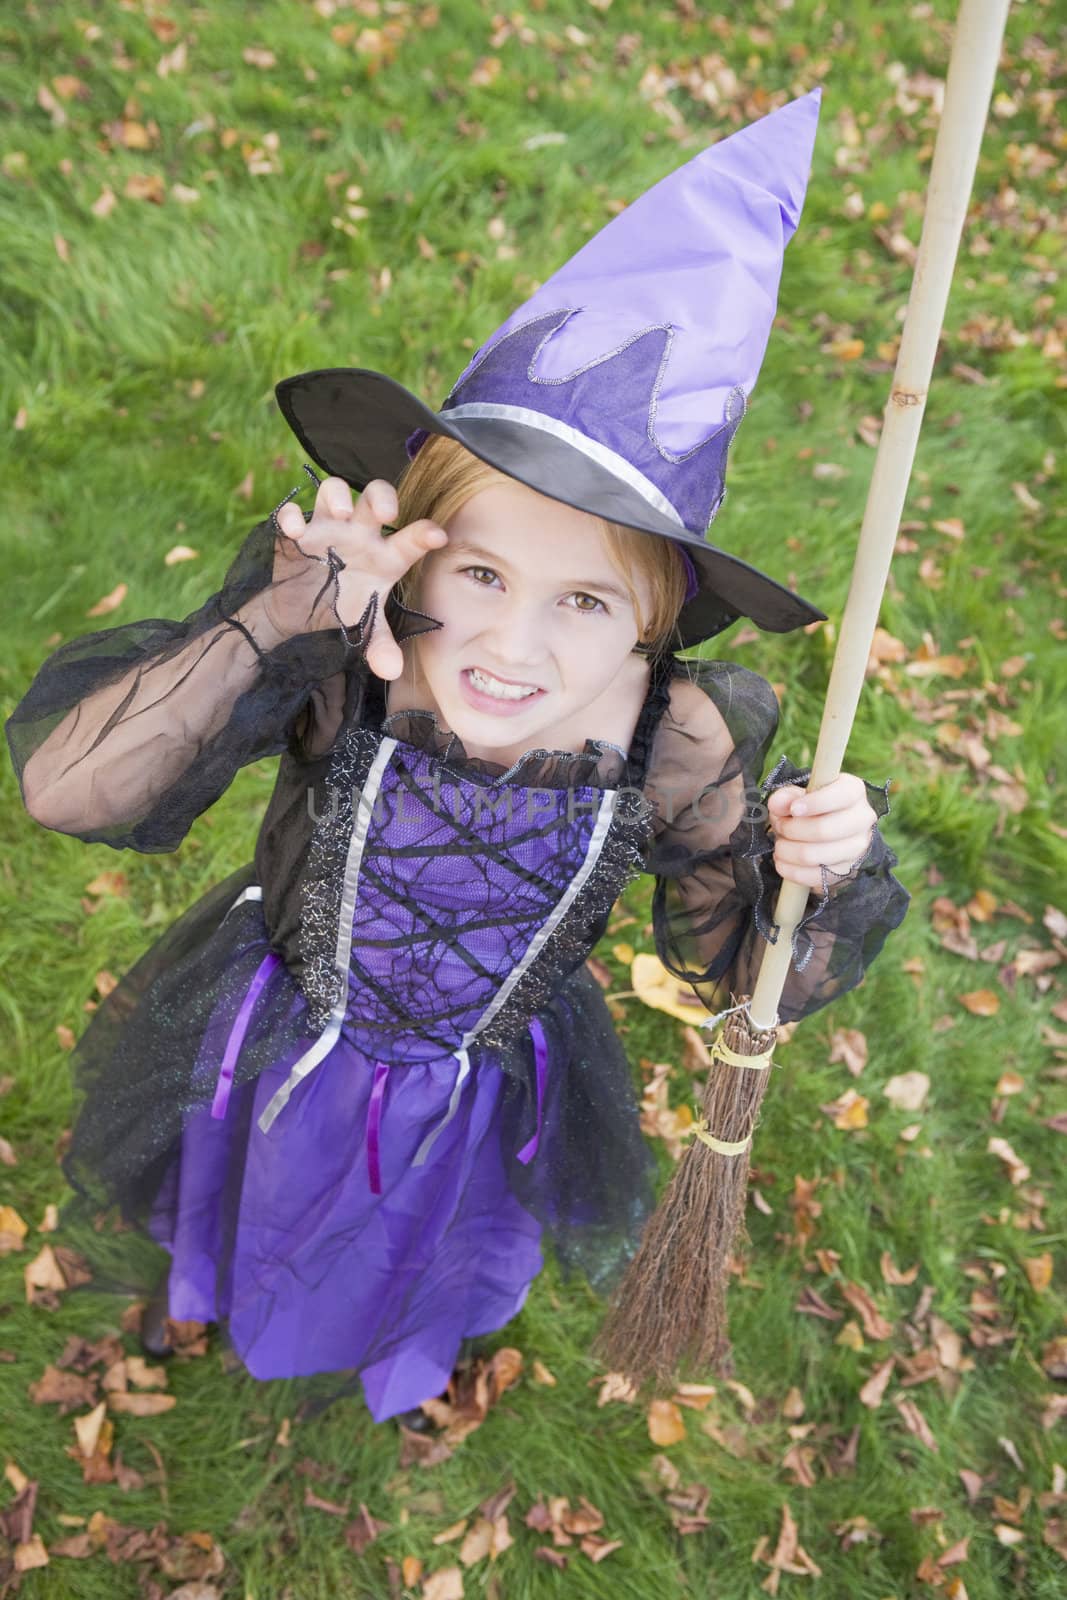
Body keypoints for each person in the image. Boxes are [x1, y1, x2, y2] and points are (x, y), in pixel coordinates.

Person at [6, 91, 908, 1424]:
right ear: (420, 543)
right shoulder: (354, 653)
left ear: (659, 624)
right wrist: (280, 620)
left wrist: (810, 873)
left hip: (475, 1089)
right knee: (242, 1193)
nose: (510, 644)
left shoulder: (678, 737)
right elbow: (66, 788)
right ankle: (212, 1291)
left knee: (427, 1245)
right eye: (480, 570)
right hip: (280, 1038)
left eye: (586, 603)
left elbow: (744, 967)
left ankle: (406, 1350)